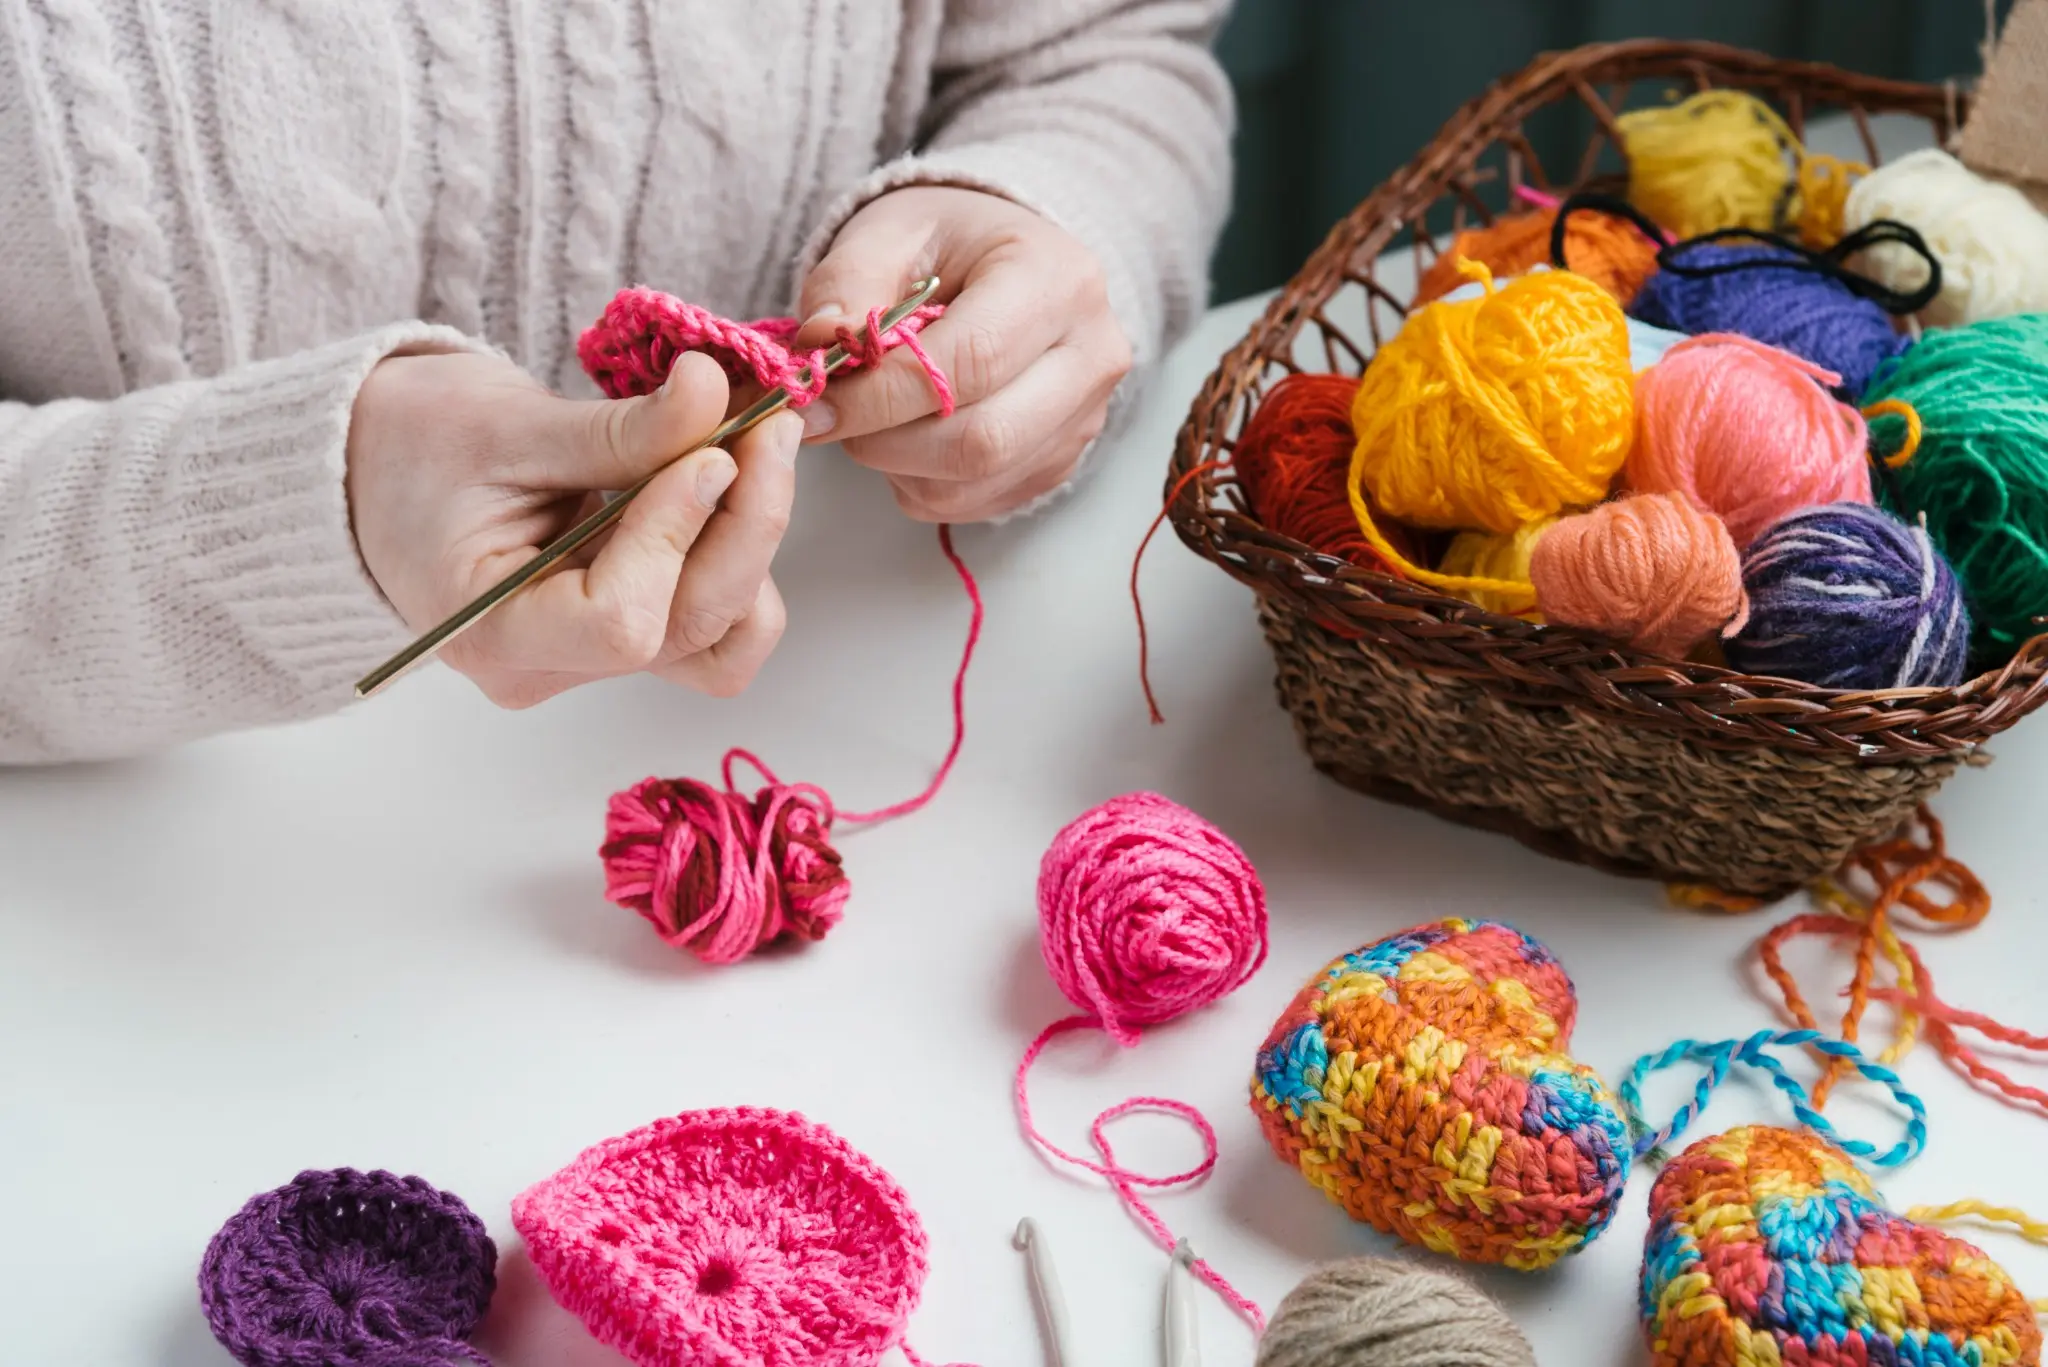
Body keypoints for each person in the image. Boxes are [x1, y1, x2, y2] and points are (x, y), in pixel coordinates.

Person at [0, 1, 1234, 764]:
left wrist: (1051, 224)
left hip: (849, 687)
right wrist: (297, 511)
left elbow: (1101, 50)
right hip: (142, 872)